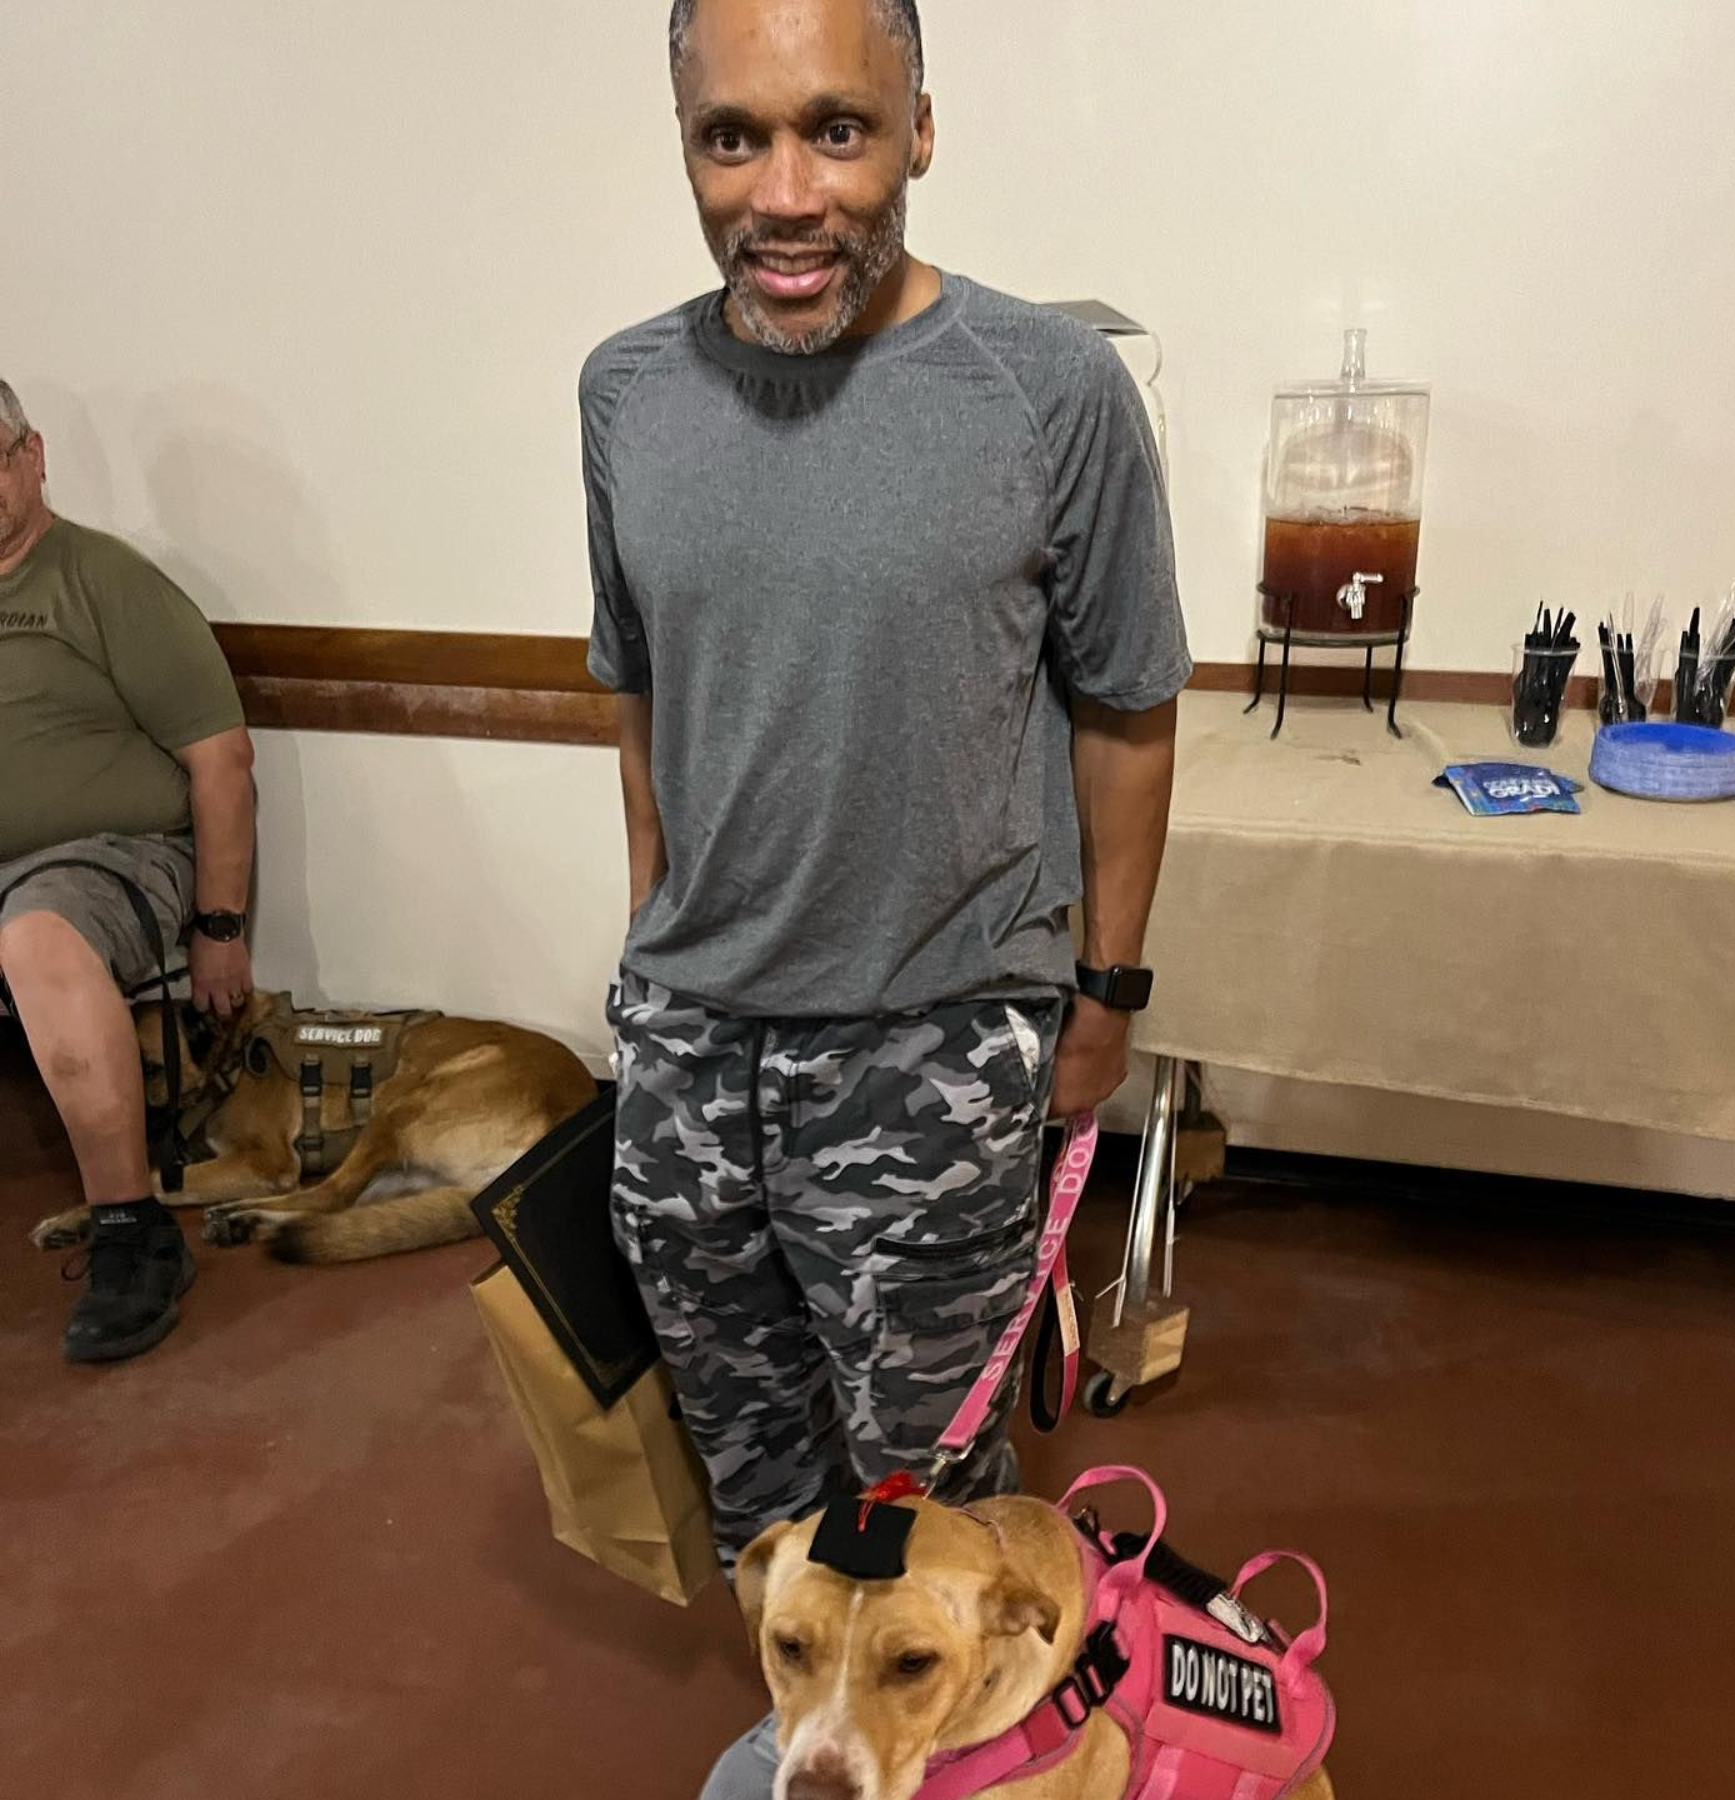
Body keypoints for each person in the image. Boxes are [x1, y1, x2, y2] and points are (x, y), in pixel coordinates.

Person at [579, 3, 1188, 1787]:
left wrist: (1106, 1002)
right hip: (696, 1055)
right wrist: (644, 964)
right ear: (683, 139)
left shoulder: (1047, 391)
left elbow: (1130, 720)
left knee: (936, 1522)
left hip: (934, 1053)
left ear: (921, 129)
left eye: (835, 132)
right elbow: (642, 701)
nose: (784, 192)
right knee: (766, 1507)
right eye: (732, 138)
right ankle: (813, 1752)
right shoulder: (624, 390)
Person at [0, 377, 256, 1363]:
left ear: (32, 456)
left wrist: (221, 927)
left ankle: (129, 1228)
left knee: (38, 935)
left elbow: (221, 760)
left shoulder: (103, 581)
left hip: (108, 859)